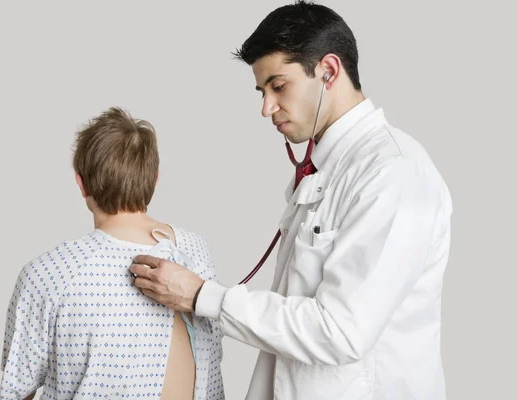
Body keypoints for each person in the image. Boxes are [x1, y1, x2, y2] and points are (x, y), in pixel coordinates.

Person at [130, 1, 452, 399]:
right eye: (262, 91)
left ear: (329, 71)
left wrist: (203, 296)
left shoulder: (394, 174)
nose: (267, 108)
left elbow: (340, 332)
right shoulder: (330, 169)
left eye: (278, 86)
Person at [0, 107, 224, 400]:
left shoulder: (49, 272)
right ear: (155, 178)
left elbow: (19, 389)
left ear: (81, 183)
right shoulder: (195, 250)